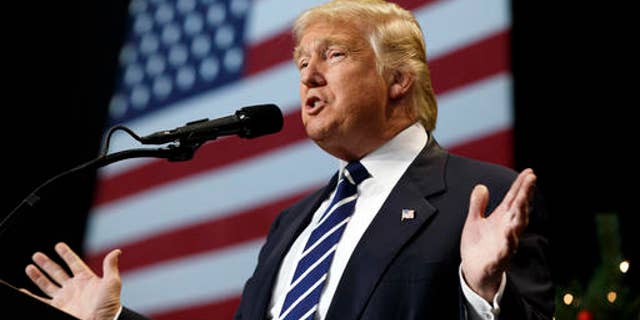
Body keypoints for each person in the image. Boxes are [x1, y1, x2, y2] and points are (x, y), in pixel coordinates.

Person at [22, 0, 554, 319]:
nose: (307, 76)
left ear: (398, 79)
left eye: (334, 55)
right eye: (302, 62)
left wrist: (485, 297)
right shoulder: (294, 224)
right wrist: (114, 318)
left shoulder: (479, 196)